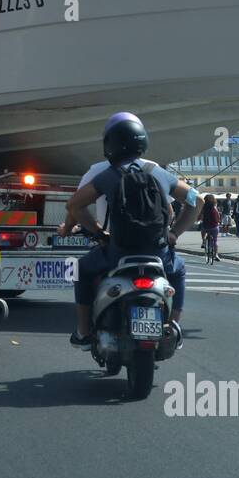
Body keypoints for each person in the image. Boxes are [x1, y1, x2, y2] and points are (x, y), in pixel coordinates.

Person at [62, 112, 198, 347]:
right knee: (179, 270)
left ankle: (83, 332)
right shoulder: (158, 172)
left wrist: (98, 233)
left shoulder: (107, 176)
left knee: (81, 269)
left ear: (110, 143)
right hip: (159, 253)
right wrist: (174, 233)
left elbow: (74, 205)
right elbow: (198, 201)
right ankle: (173, 329)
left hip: (118, 253)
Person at [200, 194, 221, 264]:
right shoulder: (214, 206)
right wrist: (219, 221)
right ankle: (216, 255)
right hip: (214, 226)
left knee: (202, 229)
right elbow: (218, 215)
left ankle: (203, 241)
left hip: (206, 226)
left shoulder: (203, 206)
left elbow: (201, 215)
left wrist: (199, 219)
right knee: (215, 241)